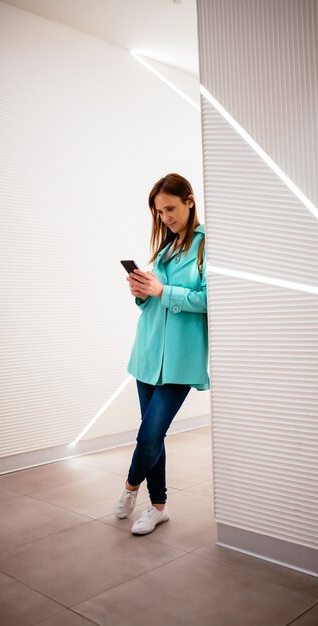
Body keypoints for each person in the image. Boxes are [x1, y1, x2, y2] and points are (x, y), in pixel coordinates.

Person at [113, 172, 210, 535]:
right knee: (152, 435)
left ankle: (129, 489)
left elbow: (209, 300)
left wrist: (162, 290)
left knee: (149, 435)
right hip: (148, 353)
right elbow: (152, 304)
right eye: (159, 212)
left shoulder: (207, 244)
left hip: (181, 360)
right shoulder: (167, 247)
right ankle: (158, 507)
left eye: (170, 208)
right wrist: (141, 292)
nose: (166, 217)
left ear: (189, 200)